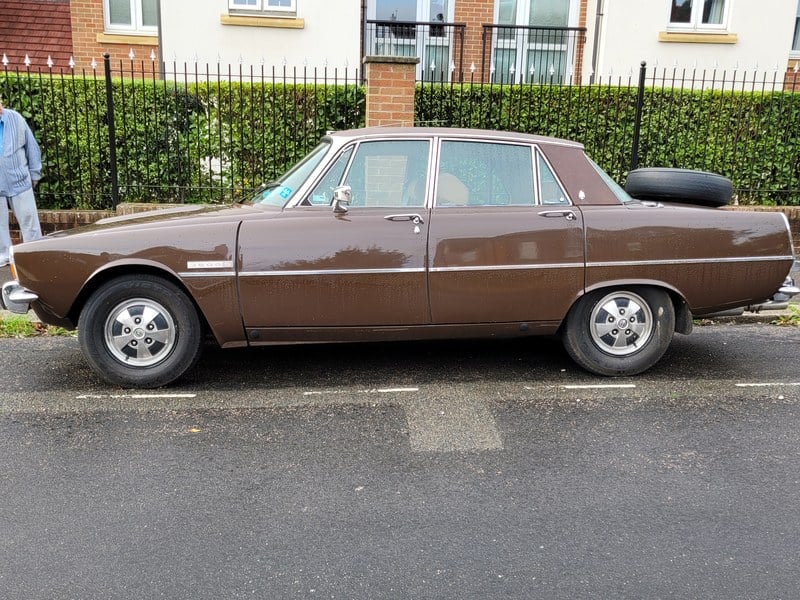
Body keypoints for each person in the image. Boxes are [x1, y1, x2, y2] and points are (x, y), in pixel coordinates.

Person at [0, 97, 43, 267]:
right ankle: (4, 255)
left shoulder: (15, 118)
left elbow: (31, 147)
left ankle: (34, 253)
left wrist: (34, 173)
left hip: (20, 180)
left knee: (29, 221)